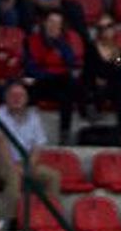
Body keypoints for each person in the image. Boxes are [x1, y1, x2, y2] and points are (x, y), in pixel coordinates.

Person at [0, 81, 61, 225]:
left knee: (53, 176)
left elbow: (38, 146)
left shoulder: (34, 116)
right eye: (13, 95)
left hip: (24, 162)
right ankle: (11, 220)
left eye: (20, 95)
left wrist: (28, 166)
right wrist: (14, 166)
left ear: (26, 98)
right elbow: (0, 144)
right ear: (6, 98)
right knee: (13, 175)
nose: (17, 98)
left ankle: (48, 217)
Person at [25, 8, 87, 145]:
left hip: (60, 85)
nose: (54, 26)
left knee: (67, 94)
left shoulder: (63, 43)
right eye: (51, 22)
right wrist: (51, 73)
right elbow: (30, 68)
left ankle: (65, 133)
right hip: (39, 83)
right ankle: (85, 106)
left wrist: (59, 44)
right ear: (44, 23)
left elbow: (71, 62)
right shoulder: (31, 41)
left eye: (58, 23)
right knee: (67, 81)